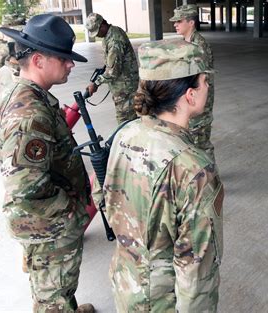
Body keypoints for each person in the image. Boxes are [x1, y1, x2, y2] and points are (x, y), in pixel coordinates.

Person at [103, 39, 224, 312]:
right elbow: (196, 272)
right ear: (190, 95)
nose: (208, 87)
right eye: (204, 81)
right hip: (162, 301)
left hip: (125, 282)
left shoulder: (126, 133)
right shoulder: (194, 168)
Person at [0, 14, 95, 312]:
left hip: (46, 223)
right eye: (63, 58)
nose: (71, 64)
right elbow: (26, 191)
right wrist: (74, 212)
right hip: (49, 224)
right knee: (53, 295)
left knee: (56, 283)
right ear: (38, 61)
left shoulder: (20, 88)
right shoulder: (30, 116)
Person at [170, 4, 216, 161]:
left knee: (201, 143)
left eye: (179, 21)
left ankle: (211, 178)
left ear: (191, 22)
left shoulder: (199, 45)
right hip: (189, 100)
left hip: (199, 101)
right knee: (192, 142)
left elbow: (202, 78)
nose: (175, 24)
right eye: (175, 21)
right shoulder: (185, 43)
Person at [85, 12, 139, 124]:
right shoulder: (109, 34)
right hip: (121, 85)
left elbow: (113, 71)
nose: (97, 35)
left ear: (102, 24)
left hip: (125, 87)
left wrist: (95, 83)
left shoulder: (115, 40)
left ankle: (128, 141)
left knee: (125, 120)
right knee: (126, 118)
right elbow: (110, 64)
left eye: (97, 31)